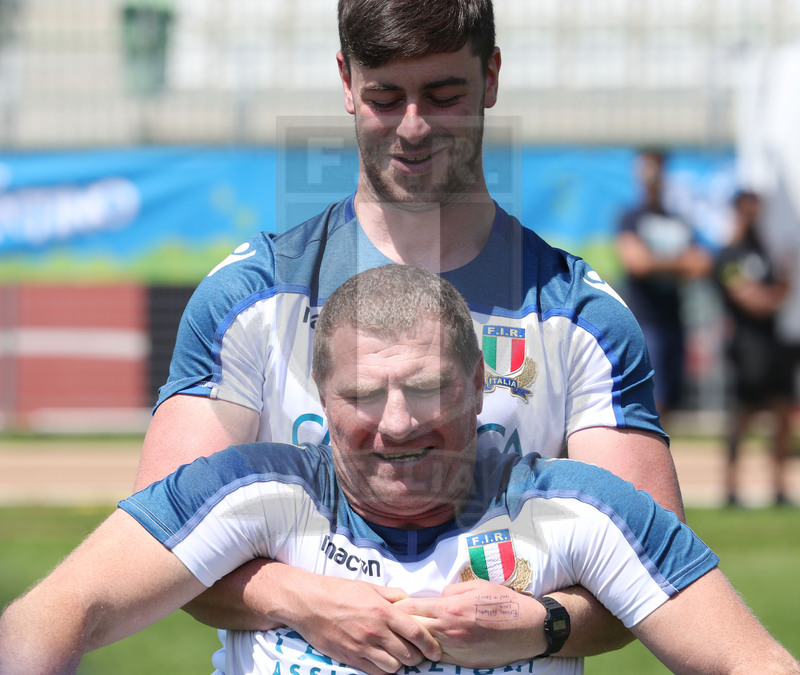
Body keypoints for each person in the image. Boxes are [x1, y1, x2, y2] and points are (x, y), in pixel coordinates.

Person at [134, 1, 685, 671]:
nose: (414, 127)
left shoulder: (579, 315)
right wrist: (302, 598)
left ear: (491, 77)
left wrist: (546, 622)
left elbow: (660, 578)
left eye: (444, 94)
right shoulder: (250, 294)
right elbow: (156, 551)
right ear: (345, 82)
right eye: (386, 97)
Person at [2, 265, 797, 675]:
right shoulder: (252, 492)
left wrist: (544, 624)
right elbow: (54, 614)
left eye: (428, 389)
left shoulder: (575, 510)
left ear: (481, 386)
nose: (398, 425)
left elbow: (752, 659)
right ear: (320, 395)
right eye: (361, 394)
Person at [616, 148, 713, 419]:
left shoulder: (678, 220)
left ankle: (660, 455)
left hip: (674, 320)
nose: (652, 175)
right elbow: (636, 263)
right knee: (649, 396)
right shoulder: (630, 218)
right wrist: (679, 262)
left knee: (669, 396)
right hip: (645, 321)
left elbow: (702, 264)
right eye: (646, 168)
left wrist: (657, 262)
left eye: (656, 168)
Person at [715, 190, 795, 507]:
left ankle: (778, 487)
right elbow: (748, 297)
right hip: (746, 344)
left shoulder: (765, 252)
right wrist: (771, 297)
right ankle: (732, 487)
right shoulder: (728, 255)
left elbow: (782, 288)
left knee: (781, 413)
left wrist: (772, 295)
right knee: (742, 415)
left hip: (774, 342)